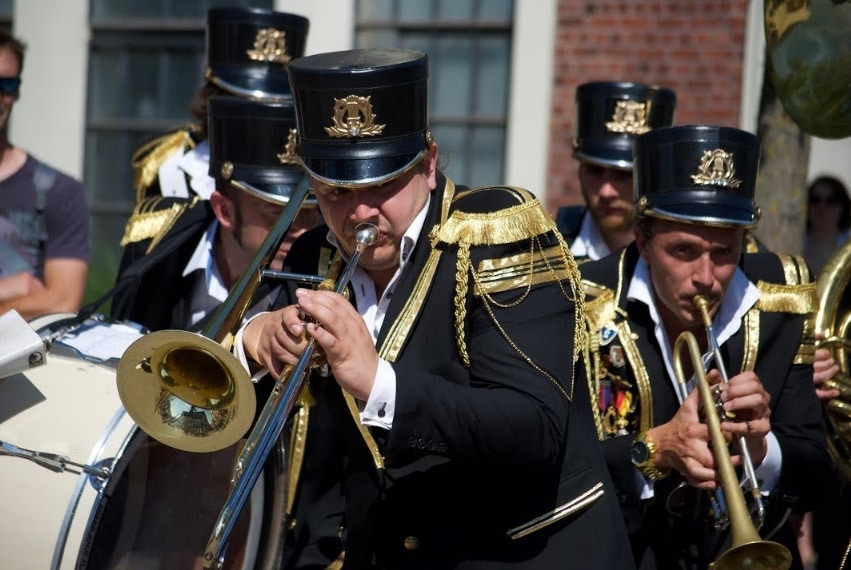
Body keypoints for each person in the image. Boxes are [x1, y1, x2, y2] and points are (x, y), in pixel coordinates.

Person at [237, 48, 634, 569]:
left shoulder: (499, 232)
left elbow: (533, 425)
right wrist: (256, 336)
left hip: (528, 553)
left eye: (382, 183)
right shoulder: (315, 256)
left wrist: (378, 382)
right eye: (334, 188)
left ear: (427, 164)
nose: (358, 211)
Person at [577, 124, 832, 568]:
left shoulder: (783, 297)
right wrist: (654, 448)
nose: (706, 278)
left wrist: (763, 451)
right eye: (683, 251)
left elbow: (819, 476)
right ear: (643, 241)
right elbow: (555, 464)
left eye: (725, 252)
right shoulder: (583, 301)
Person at [129, 7, 308, 202]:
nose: (260, 114)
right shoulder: (170, 166)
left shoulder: (311, 173)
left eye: (275, 103)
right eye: (244, 102)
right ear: (211, 94)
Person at [0, 29, 89, 320]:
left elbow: (63, 301)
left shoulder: (59, 191)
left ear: (18, 91)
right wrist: (16, 287)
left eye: (7, 83)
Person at [555, 81, 676, 261]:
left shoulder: (684, 257)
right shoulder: (547, 256)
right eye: (594, 171)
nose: (606, 192)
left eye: (624, 174)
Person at [803, 175, 851, 275]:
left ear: (843, 207)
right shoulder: (792, 242)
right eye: (815, 200)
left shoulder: (848, 246)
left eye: (831, 200)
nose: (822, 207)